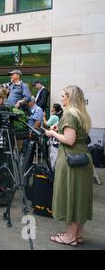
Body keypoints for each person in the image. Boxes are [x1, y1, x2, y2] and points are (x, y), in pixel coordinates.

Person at [45, 85, 94, 247]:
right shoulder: (82, 115)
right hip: (83, 159)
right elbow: (75, 136)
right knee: (80, 198)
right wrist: (58, 129)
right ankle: (76, 235)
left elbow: (69, 140)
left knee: (71, 197)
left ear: (70, 98)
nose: (61, 98)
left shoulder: (69, 115)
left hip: (71, 161)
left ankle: (70, 237)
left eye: (64, 95)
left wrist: (52, 133)